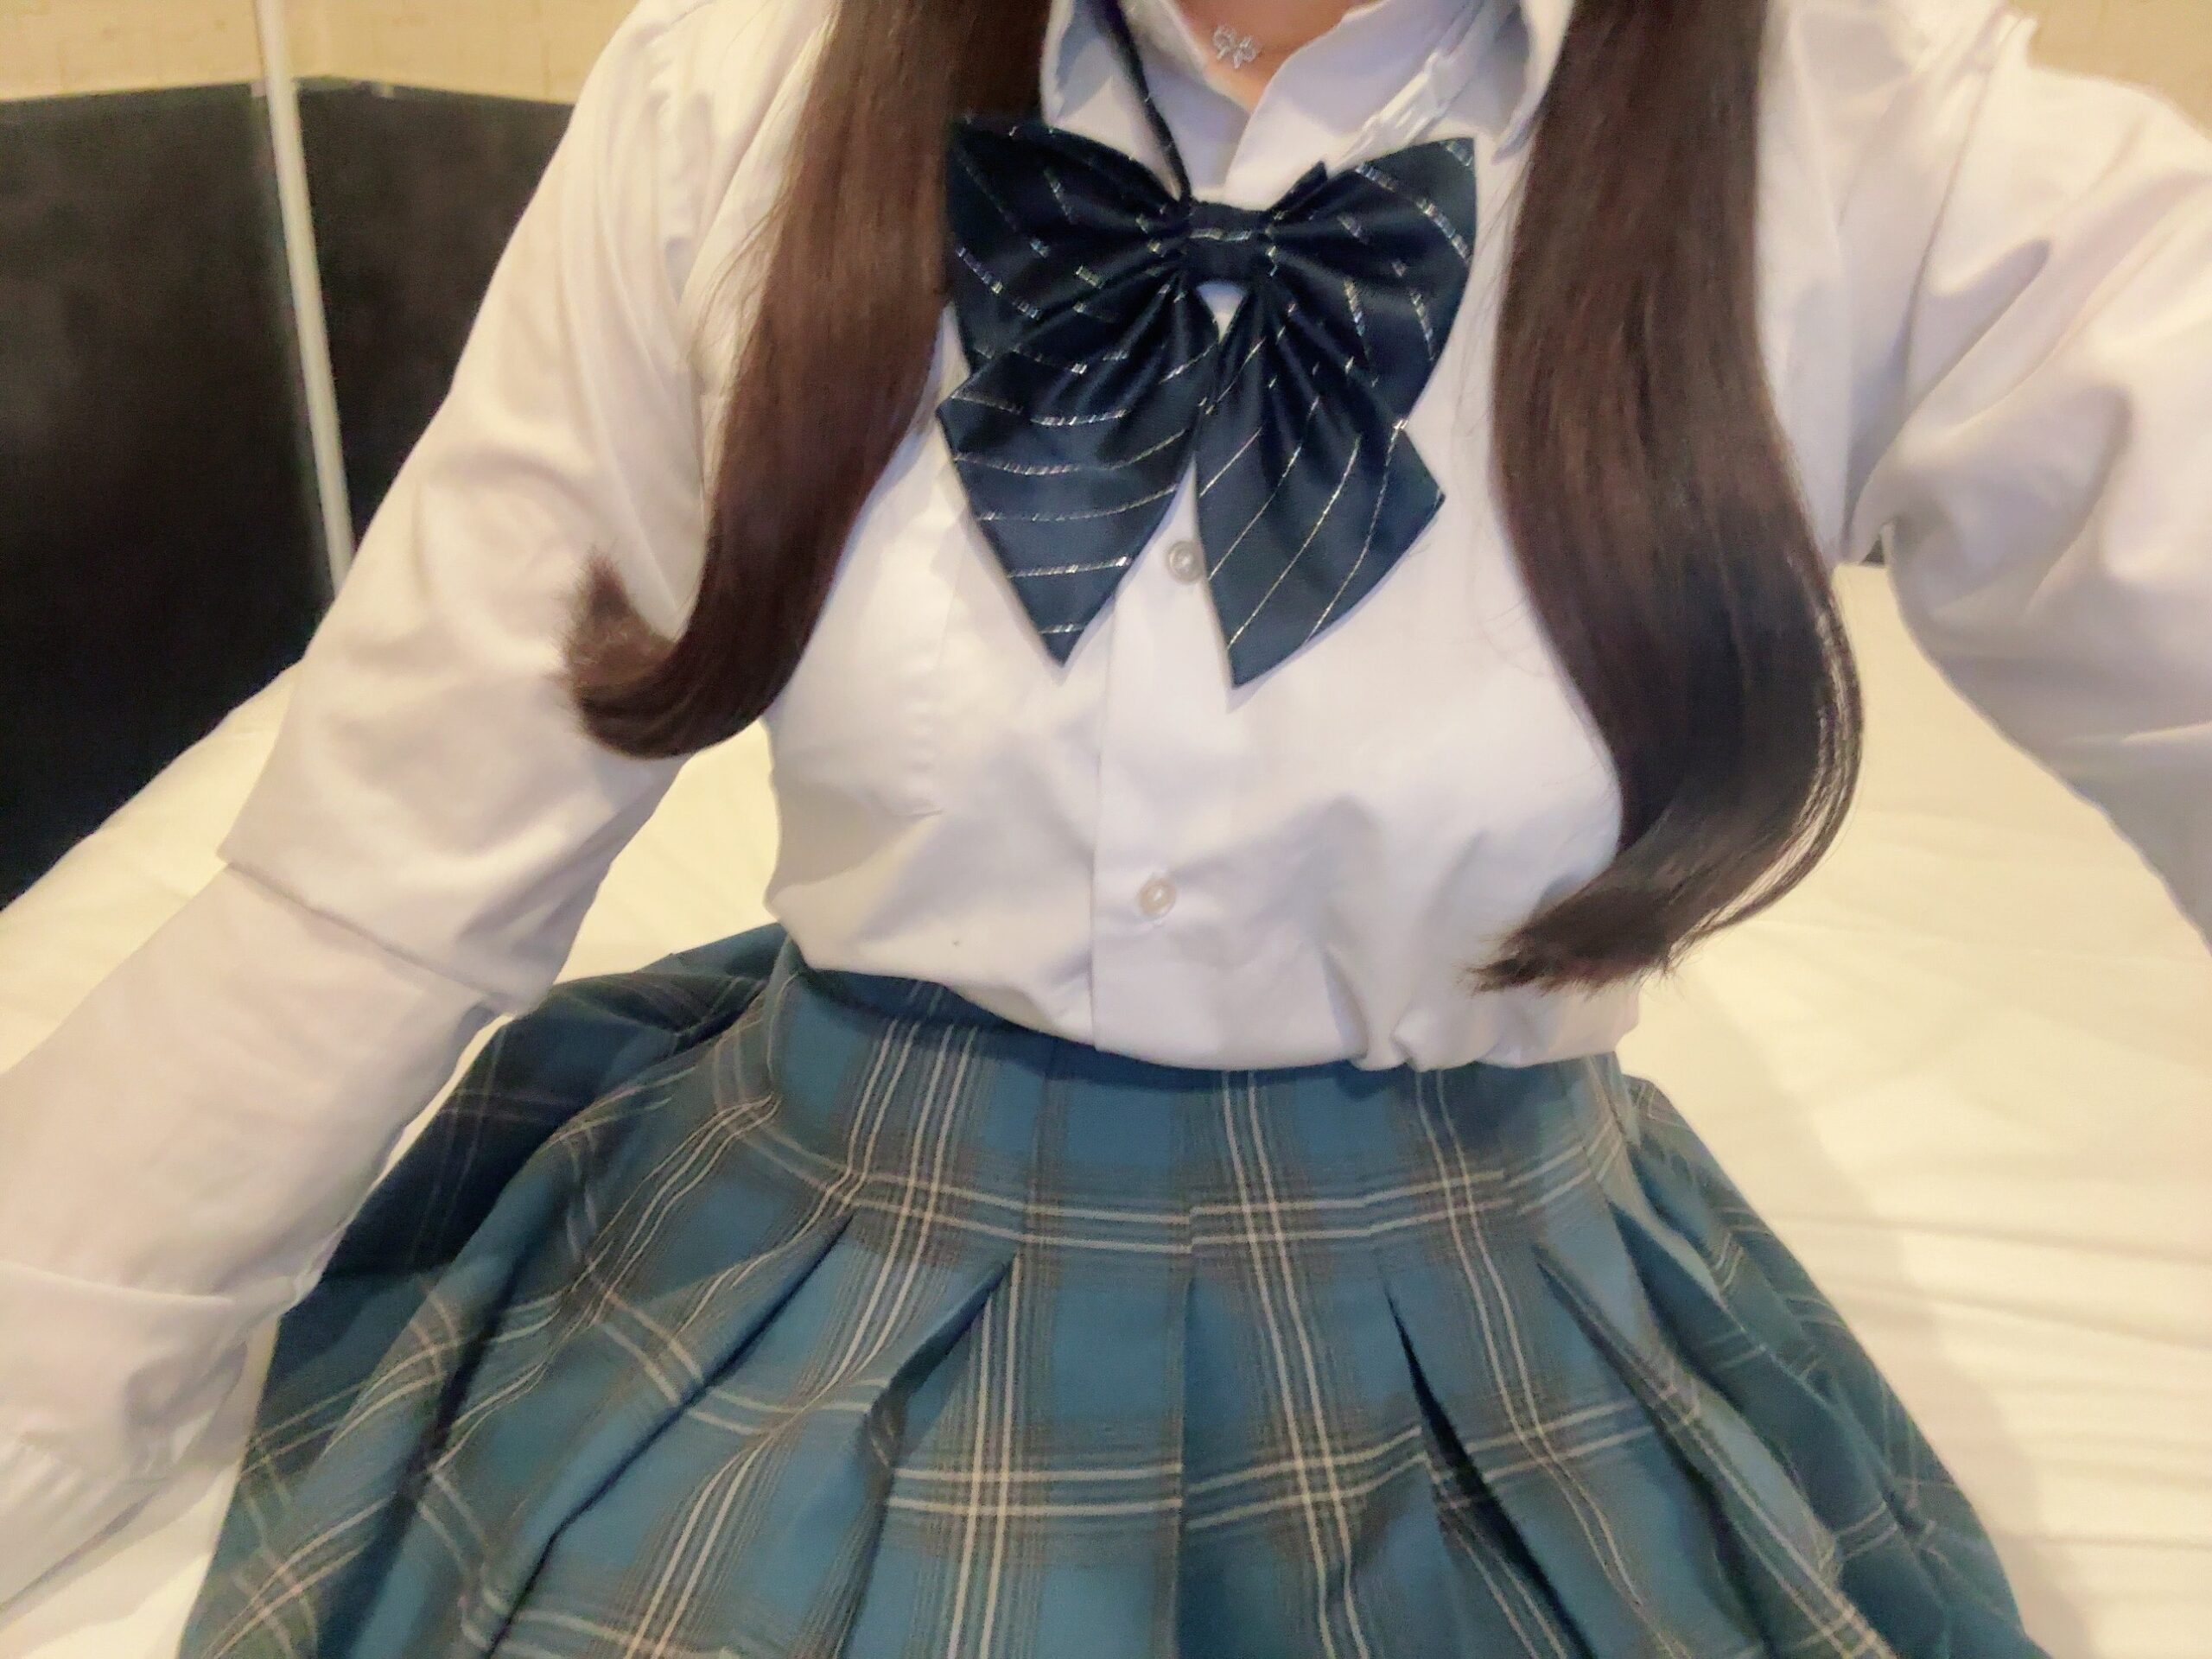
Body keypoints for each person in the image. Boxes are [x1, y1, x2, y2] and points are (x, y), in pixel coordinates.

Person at [1, 0, 2206, 1649]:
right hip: (794, 1238)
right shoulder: (734, 82)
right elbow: (369, 874)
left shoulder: (1906, 146)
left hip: (1498, 1307)